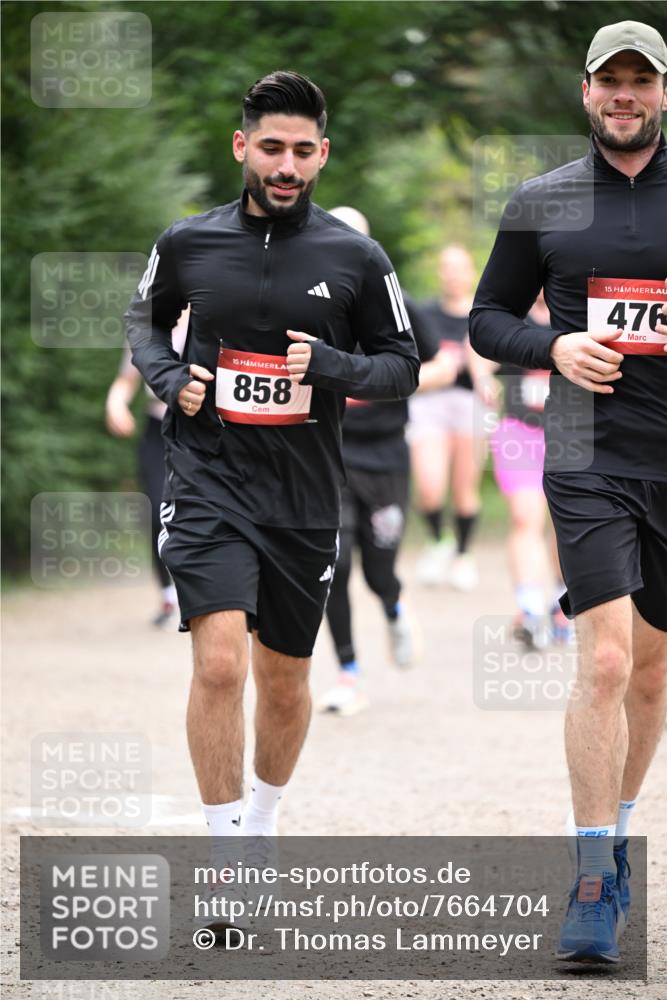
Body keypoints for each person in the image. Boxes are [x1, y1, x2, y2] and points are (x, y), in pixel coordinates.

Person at [125, 72, 419, 929]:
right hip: (209, 478)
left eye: (302, 151)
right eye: (271, 148)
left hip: (302, 495)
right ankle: (225, 859)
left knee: (284, 681)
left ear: (321, 154)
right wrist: (170, 376)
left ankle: (260, 825)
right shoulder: (187, 242)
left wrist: (331, 368)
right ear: (240, 147)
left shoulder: (355, 257)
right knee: (218, 662)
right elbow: (144, 323)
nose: (286, 165)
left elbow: (400, 363)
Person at [470, 20, 667, 963]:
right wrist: (550, 345)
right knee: (602, 662)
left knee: (653, 670)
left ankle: (619, 837)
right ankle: (591, 879)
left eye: (641, 80)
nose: (624, 95)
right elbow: (485, 320)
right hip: (586, 450)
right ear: (585, 93)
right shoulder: (542, 201)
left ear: (660, 92)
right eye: (609, 80)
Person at [318, 206, 456, 716]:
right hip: (329, 452)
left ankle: (395, 606)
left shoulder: (392, 300)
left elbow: (442, 363)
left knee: (378, 570)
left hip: (385, 455)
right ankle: (348, 673)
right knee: (333, 562)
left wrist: (388, 380)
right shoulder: (309, 301)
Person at [472, 291, 574, 649]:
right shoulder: (511, 311)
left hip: (571, 430)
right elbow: (479, 347)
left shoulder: (578, 308)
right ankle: (529, 607)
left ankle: (563, 602)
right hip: (519, 431)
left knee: (567, 524)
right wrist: (483, 379)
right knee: (524, 516)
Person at [105, 309, 189, 626]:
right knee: (156, 510)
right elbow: (126, 379)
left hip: (205, 433)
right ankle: (169, 594)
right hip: (158, 430)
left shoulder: (220, 314)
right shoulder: (149, 324)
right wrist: (116, 402)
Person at [409, 245, 486, 590]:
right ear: (439, 273)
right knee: (429, 486)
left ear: (470, 272)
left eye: (459, 268)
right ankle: (438, 541)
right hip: (430, 402)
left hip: (470, 403)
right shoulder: (423, 313)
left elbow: (500, 359)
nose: (452, 275)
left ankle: (463, 556)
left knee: (465, 488)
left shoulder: (484, 313)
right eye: (446, 268)